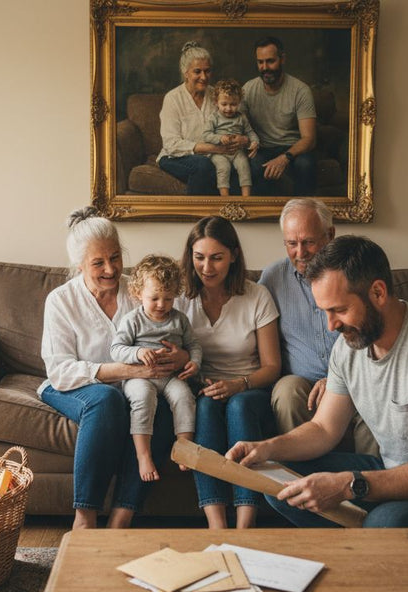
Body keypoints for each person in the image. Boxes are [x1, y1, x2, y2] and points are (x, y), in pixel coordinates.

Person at [227, 236, 408, 528]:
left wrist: (348, 485)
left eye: (338, 310)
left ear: (377, 292)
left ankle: (371, 545)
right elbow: (324, 428)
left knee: (382, 524)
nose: (331, 325)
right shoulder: (348, 345)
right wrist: (267, 448)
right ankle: (365, 549)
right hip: (395, 470)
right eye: (324, 311)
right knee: (283, 487)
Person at [39, 207, 190, 529]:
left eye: (115, 257)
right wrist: (126, 371)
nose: (110, 269)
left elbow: (177, 326)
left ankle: (122, 517)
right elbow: (60, 370)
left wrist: (182, 356)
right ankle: (85, 517)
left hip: (136, 387)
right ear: (79, 265)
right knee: (106, 400)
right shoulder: (61, 300)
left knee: (159, 406)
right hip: (72, 385)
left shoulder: (138, 291)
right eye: (98, 263)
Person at [177, 216, 281, 529]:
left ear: (233, 255)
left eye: (216, 258)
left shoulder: (257, 296)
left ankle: (245, 523)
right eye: (199, 258)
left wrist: (239, 384)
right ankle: (216, 523)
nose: (207, 267)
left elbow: (273, 366)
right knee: (207, 407)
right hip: (202, 388)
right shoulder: (180, 298)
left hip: (251, 388)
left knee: (239, 406)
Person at [258, 198, 379, 456]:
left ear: (331, 235)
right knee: (287, 390)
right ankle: (299, 476)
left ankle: (370, 485)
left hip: (354, 378)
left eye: (309, 242)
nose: (300, 253)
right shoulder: (271, 279)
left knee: (374, 399)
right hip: (301, 385)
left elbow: (375, 333)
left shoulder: (356, 274)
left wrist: (336, 380)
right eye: (292, 243)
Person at [110, 254, 201, 482]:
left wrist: (194, 362)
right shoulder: (133, 320)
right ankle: (143, 455)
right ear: (138, 293)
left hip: (171, 377)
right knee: (143, 398)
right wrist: (138, 353)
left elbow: (193, 345)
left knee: (185, 397)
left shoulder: (179, 320)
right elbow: (117, 349)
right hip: (139, 378)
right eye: (155, 298)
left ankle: (184, 449)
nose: (162, 305)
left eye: (168, 299)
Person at [156, 42, 248, 195]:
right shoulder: (173, 99)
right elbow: (171, 144)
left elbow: (236, 122)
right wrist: (216, 148)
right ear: (185, 72)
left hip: (212, 155)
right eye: (197, 71)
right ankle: (196, 215)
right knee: (203, 166)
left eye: (207, 71)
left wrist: (241, 139)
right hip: (174, 157)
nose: (204, 77)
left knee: (236, 165)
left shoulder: (216, 96)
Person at [241, 36, 318, 195]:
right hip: (262, 147)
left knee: (306, 165)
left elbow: (309, 139)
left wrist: (285, 158)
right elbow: (236, 124)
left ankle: (301, 215)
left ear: (282, 59)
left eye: (270, 61)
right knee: (253, 166)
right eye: (260, 62)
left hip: (292, 148)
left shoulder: (300, 90)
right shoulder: (248, 89)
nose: (264, 67)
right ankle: (262, 217)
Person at [201, 79, 260, 197]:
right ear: (216, 103)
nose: (228, 108)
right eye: (224, 104)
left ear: (239, 103)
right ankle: (225, 198)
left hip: (237, 151)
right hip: (219, 152)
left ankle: (246, 198)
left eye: (233, 104)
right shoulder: (214, 117)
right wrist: (219, 138)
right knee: (224, 167)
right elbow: (206, 135)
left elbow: (250, 132)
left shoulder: (241, 117)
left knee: (244, 166)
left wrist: (255, 142)